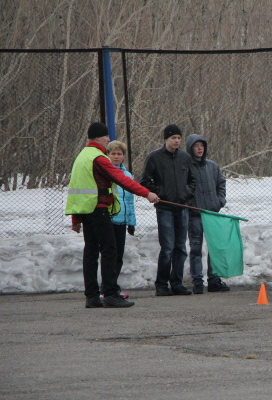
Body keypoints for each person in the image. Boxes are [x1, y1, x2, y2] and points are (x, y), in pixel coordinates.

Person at [65, 122, 159, 309]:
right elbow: (122, 179)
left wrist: (76, 218)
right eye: (106, 136)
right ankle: (109, 293)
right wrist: (146, 193)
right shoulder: (98, 158)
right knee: (109, 249)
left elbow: (75, 189)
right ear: (99, 137)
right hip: (98, 209)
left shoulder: (81, 156)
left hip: (85, 210)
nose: (108, 140)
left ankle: (91, 296)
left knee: (91, 252)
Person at [140, 124, 196, 297]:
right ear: (166, 139)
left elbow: (192, 180)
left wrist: (186, 193)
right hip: (164, 207)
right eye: (173, 138)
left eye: (179, 138)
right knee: (167, 248)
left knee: (181, 247)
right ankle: (162, 284)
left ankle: (177, 283)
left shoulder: (185, 158)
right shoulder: (154, 158)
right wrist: (160, 193)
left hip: (182, 207)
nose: (176, 141)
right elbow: (145, 181)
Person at [185, 134, 229, 294]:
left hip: (212, 214)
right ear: (190, 148)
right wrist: (190, 204)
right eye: (196, 146)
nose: (199, 148)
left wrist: (219, 201)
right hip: (195, 214)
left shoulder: (212, 166)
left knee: (215, 248)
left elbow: (221, 184)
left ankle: (214, 280)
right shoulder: (185, 167)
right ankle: (197, 281)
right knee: (196, 248)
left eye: (202, 146)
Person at [105, 140, 137, 299]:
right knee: (109, 255)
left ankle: (113, 286)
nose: (116, 157)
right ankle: (107, 288)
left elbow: (130, 201)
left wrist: (131, 222)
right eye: (113, 154)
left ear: (123, 156)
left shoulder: (128, 175)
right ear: (108, 155)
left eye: (119, 154)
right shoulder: (105, 173)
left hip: (122, 221)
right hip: (109, 220)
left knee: (119, 256)